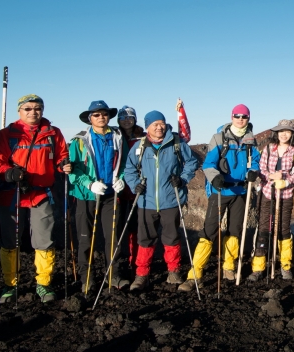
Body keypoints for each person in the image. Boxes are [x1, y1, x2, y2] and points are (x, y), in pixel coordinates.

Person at [0, 94, 71, 304]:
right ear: (19, 111)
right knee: (10, 241)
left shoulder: (53, 133)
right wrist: (9, 173)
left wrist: (63, 164)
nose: (33, 112)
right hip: (13, 194)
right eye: (27, 108)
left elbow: (61, 155)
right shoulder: (6, 135)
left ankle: (43, 284)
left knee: (44, 241)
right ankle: (10, 285)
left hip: (41, 194)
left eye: (37, 108)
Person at [123, 110, 200, 291]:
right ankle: (142, 275)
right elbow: (129, 169)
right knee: (145, 238)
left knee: (171, 236)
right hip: (146, 200)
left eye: (161, 123)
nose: (159, 127)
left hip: (171, 199)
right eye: (155, 124)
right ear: (147, 126)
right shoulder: (140, 146)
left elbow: (191, 162)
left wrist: (182, 179)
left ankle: (173, 271)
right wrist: (135, 185)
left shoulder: (176, 143)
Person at [189, 105, 261, 288]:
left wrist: (254, 172)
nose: (240, 119)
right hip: (220, 190)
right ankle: (196, 270)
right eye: (237, 116)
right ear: (232, 117)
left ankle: (228, 265)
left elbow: (256, 162)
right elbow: (208, 164)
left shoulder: (251, 140)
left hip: (240, 191)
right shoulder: (219, 138)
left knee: (234, 230)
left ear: (248, 118)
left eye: (244, 116)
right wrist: (215, 179)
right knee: (210, 229)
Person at [68, 101, 128, 294]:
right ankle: (87, 278)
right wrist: (89, 183)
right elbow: (73, 170)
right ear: (90, 118)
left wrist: (122, 179)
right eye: (96, 115)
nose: (101, 117)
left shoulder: (117, 137)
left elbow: (126, 162)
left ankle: (114, 275)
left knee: (113, 236)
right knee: (86, 239)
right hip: (86, 196)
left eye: (104, 114)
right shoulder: (79, 140)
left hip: (111, 194)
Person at [246, 120, 294, 282]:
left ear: (291, 134)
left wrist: (284, 179)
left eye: (287, 131)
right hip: (267, 193)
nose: (284, 134)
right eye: (281, 131)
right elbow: (261, 169)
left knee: (283, 230)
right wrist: (271, 176)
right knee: (263, 229)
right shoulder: (268, 149)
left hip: (285, 195)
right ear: (276, 133)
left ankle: (285, 266)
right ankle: (258, 267)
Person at [115, 106, 143, 279]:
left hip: (135, 189)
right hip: (116, 189)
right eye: (123, 117)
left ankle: (135, 262)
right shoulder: (114, 137)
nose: (127, 120)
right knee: (116, 228)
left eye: (130, 117)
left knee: (135, 228)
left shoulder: (142, 138)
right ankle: (117, 263)